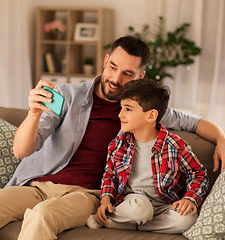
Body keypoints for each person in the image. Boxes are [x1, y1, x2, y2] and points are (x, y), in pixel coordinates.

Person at [0, 36, 225, 240]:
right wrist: (33, 114)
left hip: (87, 195)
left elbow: (196, 122)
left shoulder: (140, 110)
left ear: (140, 75)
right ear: (106, 61)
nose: (116, 78)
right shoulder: (67, 96)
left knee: (42, 216)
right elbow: (21, 150)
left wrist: (224, 140)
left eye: (127, 73)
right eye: (113, 67)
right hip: (37, 185)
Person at [87, 79, 208, 234]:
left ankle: (127, 223)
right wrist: (105, 200)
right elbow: (109, 176)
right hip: (134, 202)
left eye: (128, 109)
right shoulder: (118, 145)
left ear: (151, 116)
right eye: (121, 108)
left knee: (187, 219)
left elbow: (199, 174)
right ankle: (109, 217)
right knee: (140, 209)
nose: (120, 114)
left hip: (163, 205)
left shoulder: (176, 146)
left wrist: (190, 198)